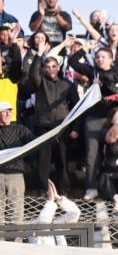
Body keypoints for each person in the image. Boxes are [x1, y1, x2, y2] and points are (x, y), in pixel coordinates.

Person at [67, 41, 118, 199]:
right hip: (93, 119)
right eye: (97, 56)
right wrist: (85, 49)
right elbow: (71, 62)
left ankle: (115, 189)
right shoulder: (92, 71)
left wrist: (104, 83)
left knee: (114, 153)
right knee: (91, 155)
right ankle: (91, 187)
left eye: (103, 57)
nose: (100, 59)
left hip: (112, 120)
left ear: (110, 59)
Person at [29, 55, 79, 191]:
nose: (51, 69)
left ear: (58, 67)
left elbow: (77, 107)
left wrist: (75, 128)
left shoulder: (68, 84)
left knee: (62, 161)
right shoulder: (40, 82)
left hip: (62, 128)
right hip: (43, 127)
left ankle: (64, 192)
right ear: (44, 68)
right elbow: (33, 74)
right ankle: (44, 191)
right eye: (48, 67)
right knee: (43, 162)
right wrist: (38, 55)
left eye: (54, 66)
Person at [0, 101, 33, 224]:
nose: (9, 114)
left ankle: (17, 242)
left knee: (17, 211)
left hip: (16, 174)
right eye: (5, 111)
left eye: (10, 111)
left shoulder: (20, 130)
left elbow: (35, 142)